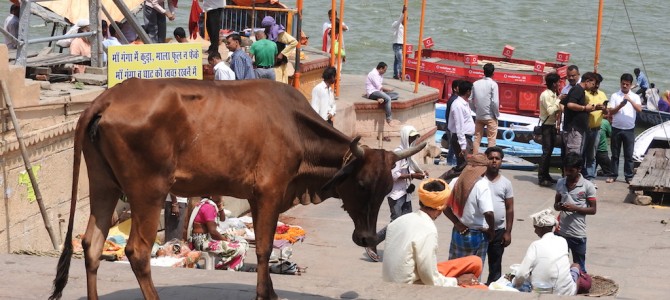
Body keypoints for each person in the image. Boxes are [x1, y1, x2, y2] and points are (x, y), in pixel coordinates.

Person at [382, 179, 485, 288]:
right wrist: (457, 281)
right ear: (441, 206)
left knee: (475, 261)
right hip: (410, 288)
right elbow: (429, 278)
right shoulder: (428, 229)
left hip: (395, 279)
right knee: (481, 288)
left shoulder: (399, 221)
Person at [365, 125, 428, 262]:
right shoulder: (397, 154)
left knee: (407, 224)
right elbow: (393, 175)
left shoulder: (408, 154)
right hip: (396, 195)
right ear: (405, 137)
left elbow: (412, 168)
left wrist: (421, 174)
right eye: (411, 137)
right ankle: (372, 242)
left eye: (414, 138)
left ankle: (401, 251)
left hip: (405, 193)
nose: (413, 140)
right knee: (396, 224)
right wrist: (412, 175)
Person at [512, 209, 591, 296]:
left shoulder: (535, 245)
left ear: (542, 228)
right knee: (576, 266)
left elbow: (521, 274)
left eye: (536, 228)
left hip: (541, 291)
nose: (535, 231)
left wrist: (516, 284)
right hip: (566, 292)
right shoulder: (563, 241)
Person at [444, 154, 494, 264]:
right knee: (472, 272)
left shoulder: (456, 181)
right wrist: (491, 230)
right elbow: (489, 213)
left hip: (459, 230)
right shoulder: (482, 185)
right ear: (483, 170)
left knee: (454, 267)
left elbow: (445, 206)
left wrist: (457, 223)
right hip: (477, 234)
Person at [554, 152, 597, 272]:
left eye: (570, 171)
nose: (567, 174)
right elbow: (556, 205)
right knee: (559, 266)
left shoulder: (588, 186)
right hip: (561, 232)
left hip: (578, 234)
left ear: (579, 169)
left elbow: (593, 210)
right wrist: (560, 206)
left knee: (580, 268)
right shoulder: (560, 183)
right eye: (565, 170)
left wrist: (575, 208)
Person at [185, 197, 248, 271]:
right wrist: (226, 240)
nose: (221, 197)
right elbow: (213, 232)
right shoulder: (208, 207)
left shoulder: (206, 204)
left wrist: (220, 208)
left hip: (204, 239)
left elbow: (222, 220)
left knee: (243, 242)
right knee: (240, 248)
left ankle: (230, 266)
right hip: (202, 242)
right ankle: (225, 267)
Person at [483, 146, 514, 285]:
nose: (494, 161)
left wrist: (508, 232)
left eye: (497, 158)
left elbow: (510, 208)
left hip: (498, 231)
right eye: (491, 158)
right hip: (481, 230)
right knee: (475, 263)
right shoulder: (479, 180)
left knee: (495, 267)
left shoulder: (506, 183)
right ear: (486, 160)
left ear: (501, 161)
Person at [606, 73, 642, 184]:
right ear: (620, 83)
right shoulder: (615, 95)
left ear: (631, 85)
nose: (625, 86)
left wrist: (630, 100)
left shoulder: (635, 96)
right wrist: (620, 105)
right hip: (616, 128)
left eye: (627, 84)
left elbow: (639, 109)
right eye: (623, 84)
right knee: (615, 154)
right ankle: (613, 175)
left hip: (629, 129)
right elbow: (610, 112)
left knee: (628, 155)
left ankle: (628, 176)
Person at [560, 72, 598, 162]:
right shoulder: (578, 90)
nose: (593, 86)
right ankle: (570, 175)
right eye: (592, 84)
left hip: (574, 129)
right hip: (574, 130)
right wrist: (584, 108)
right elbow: (570, 104)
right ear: (587, 81)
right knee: (573, 155)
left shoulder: (577, 90)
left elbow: (563, 102)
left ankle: (569, 174)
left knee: (573, 155)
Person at [583, 73, 607, 184]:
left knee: (592, 155)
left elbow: (607, 112)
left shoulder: (602, 95)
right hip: (584, 129)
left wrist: (604, 109)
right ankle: (581, 176)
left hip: (596, 129)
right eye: (595, 83)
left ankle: (590, 178)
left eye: (598, 83)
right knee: (581, 153)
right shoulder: (584, 93)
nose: (596, 85)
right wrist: (594, 108)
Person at [538, 73, 561, 187]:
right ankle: (541, 177)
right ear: (553, 83)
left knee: (549, 151)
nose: (559, 84)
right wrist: (559, 100)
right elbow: (551, 111)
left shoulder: (553, 94)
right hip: (546, 126)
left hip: (551, 125)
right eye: (558, 82)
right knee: (546, 152)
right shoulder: (546, 95)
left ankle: (546, 175)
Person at [471, 63, 500, 154]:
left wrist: (475, 111)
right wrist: (496, 114)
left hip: (479, 116)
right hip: (490, 116)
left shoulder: (475, 83)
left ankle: (475, 157)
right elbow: (495, 102)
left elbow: (470, 100)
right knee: (491, 140)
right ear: (493, 73)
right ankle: (489, 159)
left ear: (483, 72)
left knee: (477, 138)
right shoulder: (493, 84)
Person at [447, 80, 475, 173]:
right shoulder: (458, 105)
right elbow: (459, 126)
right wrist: (463, 146)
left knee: (466, 167)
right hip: (462, 140)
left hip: (466, 139)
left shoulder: (464, 103)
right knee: (465, 167)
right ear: (468, 91)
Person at [261, 16, 298, 84]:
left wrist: (282, 53)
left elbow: (294, 42)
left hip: (279, 63)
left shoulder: (280, 33)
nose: (267, 28)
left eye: (268, 26)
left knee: (279, 84)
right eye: (265, 27)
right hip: (270, 63)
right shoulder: (266, 33)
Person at [366, 62, 398, 126]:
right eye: (384, 70)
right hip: (372, 92)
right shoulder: (373, 74)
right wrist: (389, 89)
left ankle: (380, 98)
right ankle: (389, 119)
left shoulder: (380, 74)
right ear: (380, 68)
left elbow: (380, 88)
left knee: (396, 95)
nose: (385, 71)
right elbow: (379, 86)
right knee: (388, 99)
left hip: (379, 92)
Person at [442, 80, 462, 166]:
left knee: (453, 145)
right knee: (453, 145)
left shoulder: (454, 99)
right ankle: (449, 161)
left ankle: (450, 161)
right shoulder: (454, 100)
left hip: (451, 125)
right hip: (452, 126)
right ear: (455, 88)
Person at [595, 113, 614, 177]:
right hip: (602, 151)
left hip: (592, 151)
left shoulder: (592, 121)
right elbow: (611, 134)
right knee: (610, 171)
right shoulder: (605, 122)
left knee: (590, 171)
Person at [391, 5, 407, 80]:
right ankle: (401, 74)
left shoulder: (404, 27)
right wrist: (402, 12)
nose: (405, 21)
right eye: (405, 19)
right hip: (397, 45)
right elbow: (399, 20)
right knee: (401, 60)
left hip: (401, 45)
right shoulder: (397, 24)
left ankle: (395, 75)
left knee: (396, 61)